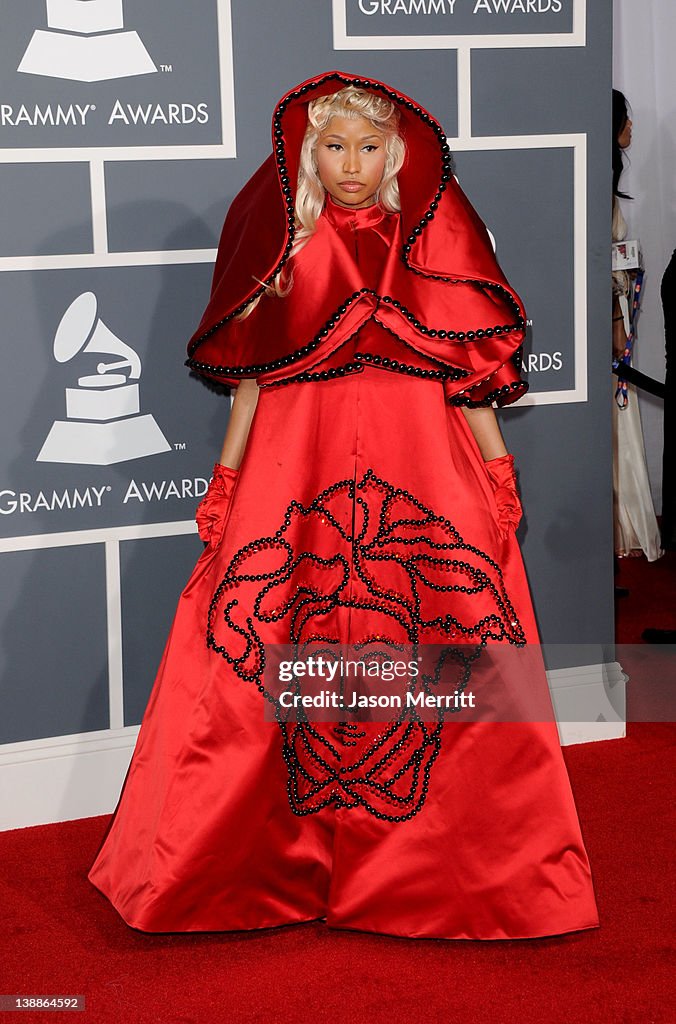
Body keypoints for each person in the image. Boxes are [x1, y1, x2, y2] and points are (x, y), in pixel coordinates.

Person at [88, 72, 600, 941]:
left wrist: (499, 467)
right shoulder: (281, 249)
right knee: (266, 633)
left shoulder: (430, 241)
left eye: (369, 147)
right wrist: (225, 481)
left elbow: (465, 367)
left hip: (420, 462)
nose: (351, 163)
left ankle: (444, 873)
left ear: (396, 155)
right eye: (335, 146)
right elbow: (251, 377)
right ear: (306, 153)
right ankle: (252, 863)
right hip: (295, 461)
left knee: (448, 631)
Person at [611, 89, 662, 563]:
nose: (634, 128)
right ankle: (613, 530)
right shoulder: (598, 185)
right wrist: (615, 327)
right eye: (627, 118)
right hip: (610, 324)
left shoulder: (609, 184)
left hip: (620, 312)